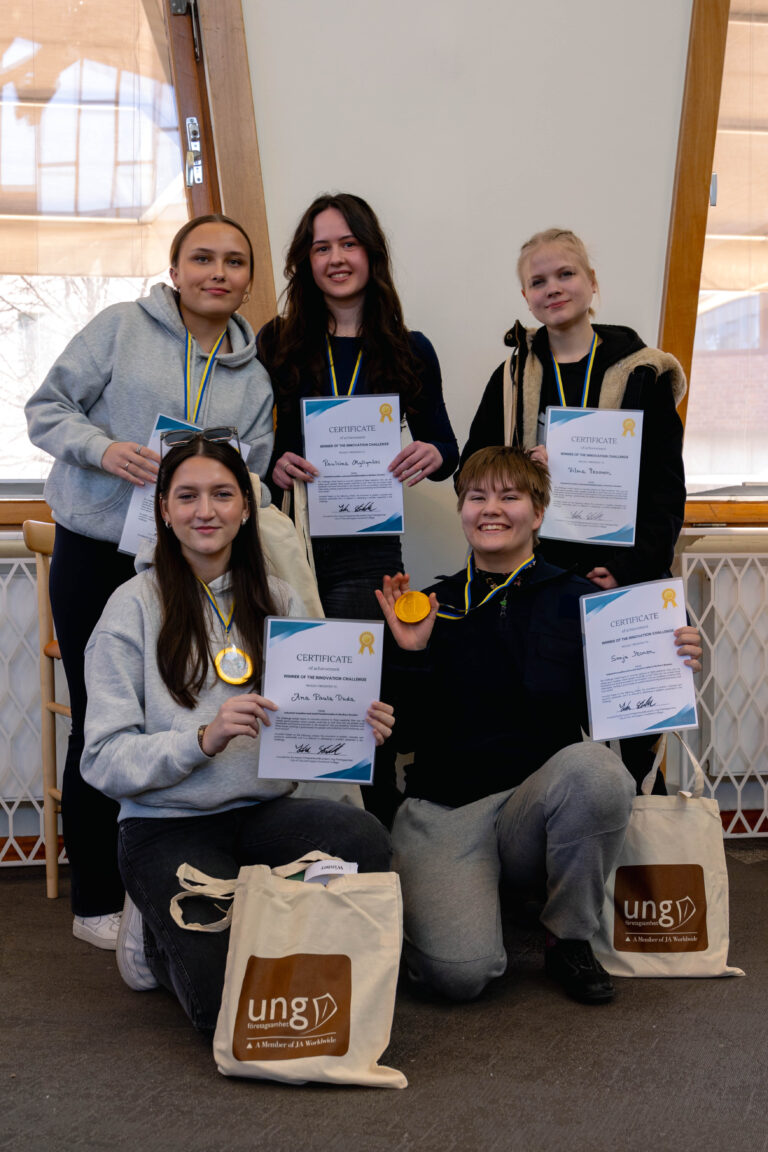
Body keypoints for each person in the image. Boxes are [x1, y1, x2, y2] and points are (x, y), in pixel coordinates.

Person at [80, 436, 393, 1033]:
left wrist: (354, 725)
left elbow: (308, 713)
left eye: (223, 494)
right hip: (165, 824)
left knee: (362, 839)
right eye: (188, 496)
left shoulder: (278, 599)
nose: (207, 511)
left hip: (263, 812)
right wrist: (201, 740)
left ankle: (253, 915)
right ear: (164, 512)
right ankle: (151, 939)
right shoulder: (131, 608)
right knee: (230, 1008)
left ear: (246, 509)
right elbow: (102, 759)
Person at [25, 215, 275, 949]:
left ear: (248, 281)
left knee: (184, 717)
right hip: (99, 552)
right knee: (100, 723)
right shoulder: (118, 330)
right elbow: (46, 411)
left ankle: (162, 873)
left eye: (233, 262)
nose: (217, 273)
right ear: (175, 269)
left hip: (192, 568)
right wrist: (104, 452)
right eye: (202, 258)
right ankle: (99, 899)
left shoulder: (254, 379)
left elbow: (250, 476)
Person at [376, 446, 701, 1005]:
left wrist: (669, 662)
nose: (491, 509)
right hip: (445, 813)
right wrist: (411, 654)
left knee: (598, 772)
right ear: (461, 511)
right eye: (476, 496)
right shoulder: (428, 606)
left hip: (536, 808)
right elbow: (401, 738)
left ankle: (567, 936)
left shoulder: (582, 603)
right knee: (459, 975)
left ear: (539, 512)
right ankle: (482, 893)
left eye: (510, 496)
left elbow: (627, 723)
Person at [459, 227, 688, 790]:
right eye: (537, 281)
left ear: (592, 284)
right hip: (538, 581)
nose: (553, 288)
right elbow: (472, 472)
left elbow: (666, 490)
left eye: (565, 274)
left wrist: (629, 569)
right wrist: (519, 465)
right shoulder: (512, 379)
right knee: (546, 730)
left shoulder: (642, 375)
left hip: (624, 578)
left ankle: (641, 869)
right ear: (526, 298)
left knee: (637, 736)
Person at [257, 192, 459, 620]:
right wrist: (274, 465)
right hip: (286, 536)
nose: (336, 259)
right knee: (291, 673)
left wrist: (433, 452)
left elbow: (446, 451)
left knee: (355, 676)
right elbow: (252, 439)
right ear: (306, 262)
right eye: (321, 248)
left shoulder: (410, 348)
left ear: (371, 253)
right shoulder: (276, 341)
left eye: (349, 244)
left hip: (369, 544)